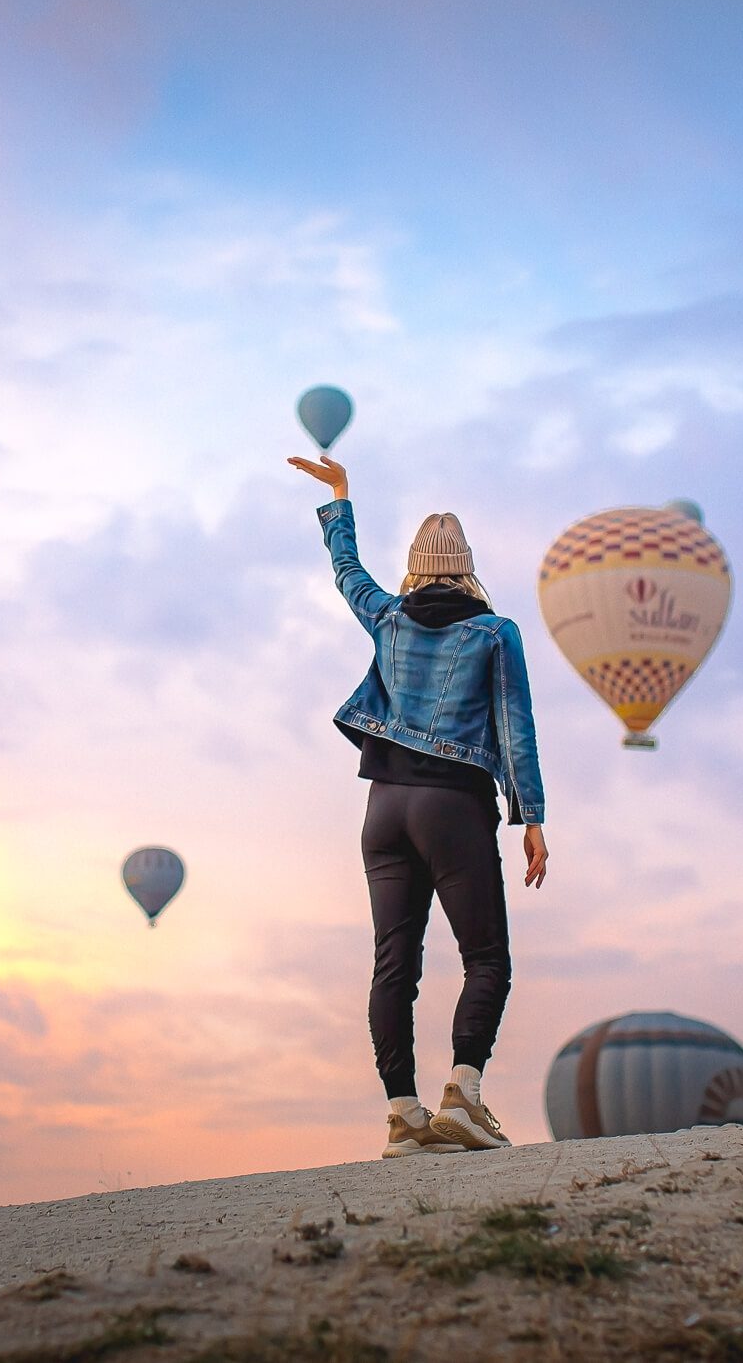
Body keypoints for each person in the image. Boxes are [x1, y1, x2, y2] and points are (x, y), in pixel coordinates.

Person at [289, 452, 548, 1157]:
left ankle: (403, 1114)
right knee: (487, 958)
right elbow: (514, 725)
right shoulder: (495, 633)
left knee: (393, 964)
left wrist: (341, 496)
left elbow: (347, 574)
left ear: (415, 565)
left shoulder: (390, 619)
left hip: (383, 809)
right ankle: (462, 1099)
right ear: (466, 565)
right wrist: (531, 816)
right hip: (451, 809)